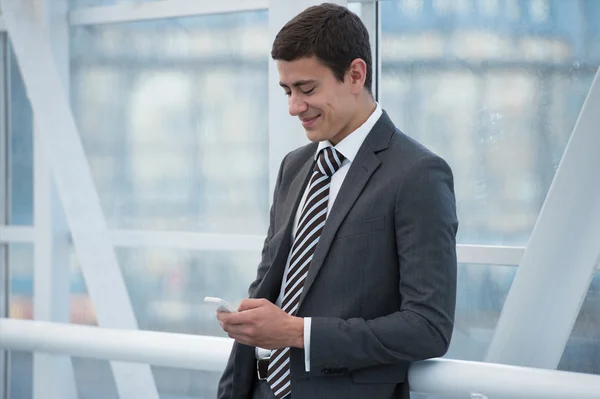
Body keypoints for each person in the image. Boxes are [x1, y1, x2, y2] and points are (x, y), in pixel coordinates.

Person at [216, 3, 458, 399]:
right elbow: (265, 291)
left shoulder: (417, 174)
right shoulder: (294, 168)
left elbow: (428, 326)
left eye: (307, 89)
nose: (295, 107)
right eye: (288, 91)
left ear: (355, 74)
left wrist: (296, 333)